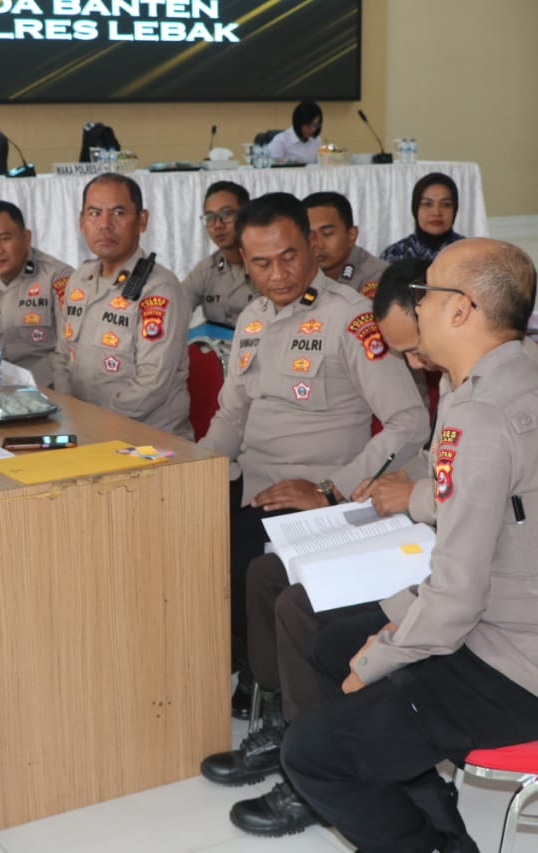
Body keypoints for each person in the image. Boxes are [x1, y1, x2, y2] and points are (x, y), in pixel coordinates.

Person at [273, 238, 538, 850]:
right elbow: (473, 564)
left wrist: (376, 659)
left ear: (462, 309)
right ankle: (433, 811)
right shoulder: (519, 371)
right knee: (332, 645)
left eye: (427, 291)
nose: (419, 303)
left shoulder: (482, 414)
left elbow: (458, 598)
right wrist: (387, 634)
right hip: (524, 628)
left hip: (533, 671)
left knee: (311, 752)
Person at [198, 192, 429, 718]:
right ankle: (241, 663)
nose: (278, 274)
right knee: (180, 536)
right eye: (261, 263)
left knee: (233, 557)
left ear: (311, 244)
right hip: (254, 485)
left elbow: (410, 421)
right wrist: (195, 475)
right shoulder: (251, 320)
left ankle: (272, 690)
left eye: (289, 256)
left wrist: (331, 489)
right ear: (244, 260)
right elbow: (231, 417)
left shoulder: (351, 319)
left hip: (317, 498)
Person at [53, 173, 192, 437]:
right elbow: (62, 357)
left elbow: (152, 384)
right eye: (94, 213)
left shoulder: (159, 289)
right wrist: (70, 414)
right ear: (82, 222)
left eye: (118, 213)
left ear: (142, 220)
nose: (105, 225)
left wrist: (91, 425)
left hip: (147, 440)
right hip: (83, 430)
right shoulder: (79, 280)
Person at [0, 201, 73, 387]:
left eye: (4, 239)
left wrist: (61, 399)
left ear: (26, 238)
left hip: (46, 389)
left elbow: (69, 352)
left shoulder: (57, 278)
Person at [181, 181, 256, 329]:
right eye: (210, 217)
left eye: (226, 214)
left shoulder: (268, 267)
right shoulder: (206, 270)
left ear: (246, 215)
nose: (217, 225)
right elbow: (176, 307)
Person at [303, 191, 389, 299]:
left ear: (351, 235)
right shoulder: (298, 273)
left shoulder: (379, 276)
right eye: (310, 235)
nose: (318, 244)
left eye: (327, 233)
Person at [380, 173, 466, 264]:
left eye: (446, 204)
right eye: (427, 204)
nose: (436, 212)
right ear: (415, 208)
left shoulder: (470, 252)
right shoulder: (395, 254)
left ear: (455, 209)